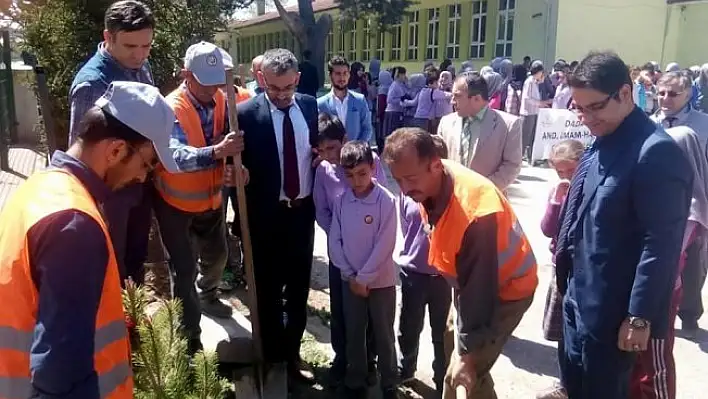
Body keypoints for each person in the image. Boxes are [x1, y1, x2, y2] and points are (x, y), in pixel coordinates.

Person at [0, 81, 178, 399]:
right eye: (147, 164)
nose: (142, 177)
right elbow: (60, 372)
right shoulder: (74, 224)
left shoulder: (40, 187)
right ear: (115, 150)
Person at [556, 51, 692, 399]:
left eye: (595, 107)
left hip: (614, 312)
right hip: (577, 300)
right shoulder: (602, 140)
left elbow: (661, 242)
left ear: (626, 93)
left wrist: (639, 317)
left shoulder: (655, 151)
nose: (586, 118)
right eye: (579, 108)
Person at [383, 128, 537, 399]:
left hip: (506, 290)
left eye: (410, 179)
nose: (404, 189)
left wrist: (468, 356)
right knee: (454, 348)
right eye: (398, 180)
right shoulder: (434, 177)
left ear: (434, 165)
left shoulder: (476, 215)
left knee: (465, 369)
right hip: (468, 280)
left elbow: (479, 293)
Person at [152, 41, 245, 354]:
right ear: (185, 75)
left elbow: (250, 111)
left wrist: (236, 162)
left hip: (212, 201)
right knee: (184, 270)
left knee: (218, 257)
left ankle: (208, 295)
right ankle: (189, 335)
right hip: (176, 207)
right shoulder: (170, 107)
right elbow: (174, 155)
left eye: (217, 81)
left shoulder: (223, 99)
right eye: (205, 83)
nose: (212, 89)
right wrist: (217, 151)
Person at [236, 48, 319, 384]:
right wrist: (236, 171)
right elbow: (234, 166)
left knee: (298, 290)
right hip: (265, 217)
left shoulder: (311, 107)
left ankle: (292, 353)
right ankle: (271, 355)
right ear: (261, 80)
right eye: (275, 89)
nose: (283, 96)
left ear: (297, 80)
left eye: (288, 88)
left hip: (301, 215)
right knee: (267, 291)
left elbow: (318, 149)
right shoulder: (244, 114)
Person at [69, 0, 156, 285]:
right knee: (111, 271)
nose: (140, 55)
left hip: (139, 184)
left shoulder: (143, 69)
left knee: (135, 265)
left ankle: (133, 326)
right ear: (108, 37)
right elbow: (81, 154)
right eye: (131, 47)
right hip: (109, 194)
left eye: (146, 46)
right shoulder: (92, 84)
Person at [629, 125, 708, 399]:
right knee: (634, 357)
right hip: (644, 285)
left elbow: (665, 252)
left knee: (656, 358)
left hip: (663, 291)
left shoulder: (692, 207)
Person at [312, 113, 387, 387]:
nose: (327, 155)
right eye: (320, 150)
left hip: (370, 252)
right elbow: (322, 211)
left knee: (370, 308)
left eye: (331, 148)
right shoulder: (323, 171)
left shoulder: (370, 162)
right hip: (340, 254)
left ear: (344, 140)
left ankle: (370, 360)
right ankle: (342, 357)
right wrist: (339, 240)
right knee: (342, 308)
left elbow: (384, 204)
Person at [328, 140, 398, 399]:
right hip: (351, 282)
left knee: (383, 332)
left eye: (362, 174)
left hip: (380, 282)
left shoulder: (386, 201)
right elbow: (335, 241)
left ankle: (389, 381)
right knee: (354, 332)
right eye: (349, 175)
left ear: (373, 168)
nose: (356, 181)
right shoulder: (342, 201)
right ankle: (355, 377)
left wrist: (366, 277)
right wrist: (350, 274)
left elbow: (385, 243)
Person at [650, 70, 708, 338]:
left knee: (693, 260)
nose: (666, 99)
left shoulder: (703, 124)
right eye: (661, 93)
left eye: (673, 94)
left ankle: (689, 312)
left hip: (694, 199)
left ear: (688, 94)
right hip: (659, 198)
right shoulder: (650, 123)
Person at [397, 135, 452, 394]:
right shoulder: (407, 191)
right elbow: (405, 225)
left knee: (441, 332)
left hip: (442, 276)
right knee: (409, 326)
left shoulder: (452, 198)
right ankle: (406, 369)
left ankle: (442, 378)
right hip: (413, 272)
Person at [536, 139, 585, 399]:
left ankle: (575, 384)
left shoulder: (589, 189)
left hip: (581, 268)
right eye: (560, 172)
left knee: (577, 332)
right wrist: (556, 201)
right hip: (560, 267)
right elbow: (547, 229)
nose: (565, 177)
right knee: (562, 331)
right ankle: (564, 382)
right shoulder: (559, 190)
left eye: (570, 171)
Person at [438, 72, 523, 191]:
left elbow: (512, 165)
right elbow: (439, 161)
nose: (452, 101)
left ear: (477, 98)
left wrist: (481, 191)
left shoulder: (509, 125)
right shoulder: (446, 122)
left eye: (457, 96)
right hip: (452, 199)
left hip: (488, 201)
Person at [318, 56, 374, 142]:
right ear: (330, 75)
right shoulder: (320, 104)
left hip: (355, 153)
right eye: (338, 73)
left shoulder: (359, 100)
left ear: (349, 75)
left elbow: (367, 129)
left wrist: (357, 148)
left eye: (345, 73)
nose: (342, 77)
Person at [403, 68, 452, 134]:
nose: (438, 84)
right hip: (425, 119)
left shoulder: (422, 90)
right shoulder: (433, 92)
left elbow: (413, 102)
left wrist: (404, 101)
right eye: (436, 83)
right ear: (432, 83)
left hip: (417, 117)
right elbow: (445, 95)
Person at [520, 61, 551, 161]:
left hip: (535, 112)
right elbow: (526, 98)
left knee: (533, 137)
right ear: (538, 72)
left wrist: (541, 81)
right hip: (527, 113)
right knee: (525, 138)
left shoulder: (535, 81)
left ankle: (530, 158)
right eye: (541, 72)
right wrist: (540, 103)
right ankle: (517, 159)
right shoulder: (529, 81)